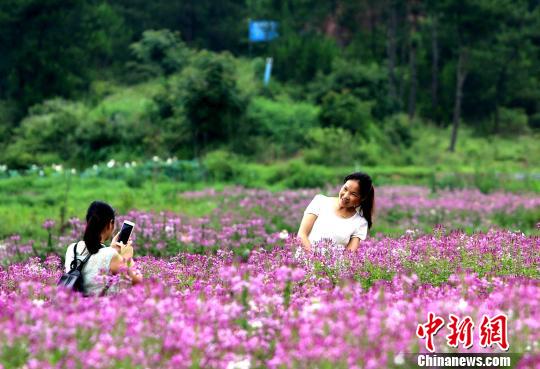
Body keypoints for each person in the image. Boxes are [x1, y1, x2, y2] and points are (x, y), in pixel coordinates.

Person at [64, 201, 143, 296]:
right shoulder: (110, 255)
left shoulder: (72, 248)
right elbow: (137, 281)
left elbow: (95, 259)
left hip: (76, 308)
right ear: (110, 224)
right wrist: (127, 257)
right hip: (102, 309)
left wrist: (113, 249)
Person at [297, 172, 375, 254]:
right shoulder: (320, 201)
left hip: (332, 266)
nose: (345, 196)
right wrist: (315, 259)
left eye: (353, 194)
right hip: (303, 263)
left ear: (362, 198)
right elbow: (302, 234)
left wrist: (324, 265)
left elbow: (348, 256)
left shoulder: (360, 222)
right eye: (345, 189)